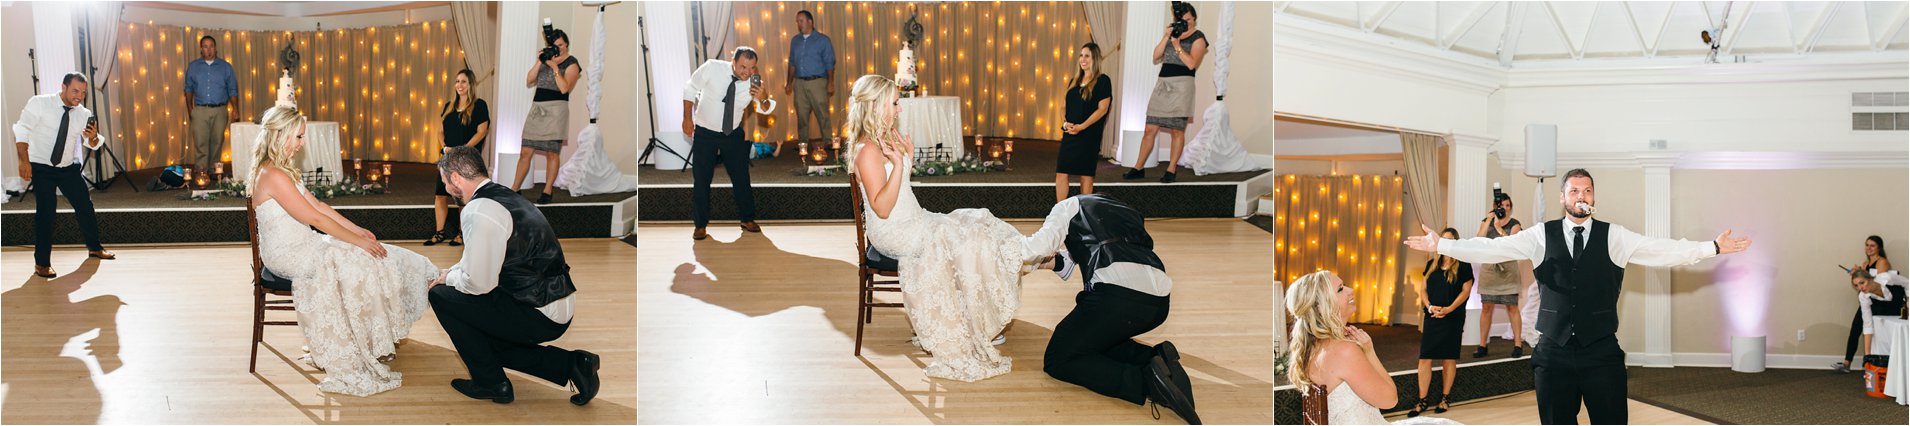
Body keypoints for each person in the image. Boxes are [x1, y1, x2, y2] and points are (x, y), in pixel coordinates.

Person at [1404, 168, 1752, 425]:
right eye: (1574, 190)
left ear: (1594, 197)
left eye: (1587, 190)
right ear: (1563, 197)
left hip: (1601, 352)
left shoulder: (1614, 236)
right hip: (1553, 353)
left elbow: (1660, 249)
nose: (1581, 196)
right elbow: (1493, 249)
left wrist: (1712, 247)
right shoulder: (1541, 235)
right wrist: (1443, 244)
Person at [847, 74, 1079, 382]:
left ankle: (1041, 262)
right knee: (974, 241)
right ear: (876, 106)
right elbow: (883, 207)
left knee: (976, 226)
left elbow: (898, 191)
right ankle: (1041, 253)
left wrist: (908, 160)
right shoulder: (868, 151)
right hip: (897, 233)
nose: (900, 109)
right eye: (894, 103)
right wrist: (902, 165)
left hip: (914, 220)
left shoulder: (884, 139)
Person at [248, 105, 438, 396]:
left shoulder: (283, 169)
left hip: (305, 243)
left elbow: (320, 207)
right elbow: (314, 219)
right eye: (298, 137)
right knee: (361, 259)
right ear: (281, 136)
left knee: (369, 254)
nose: (302, 143)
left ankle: (373, 336)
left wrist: (357, 231)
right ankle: (364, 340)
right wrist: (357, 241)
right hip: (288, 254)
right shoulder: (272, 174)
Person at [428, 145, 600, 405]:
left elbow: (479, 284)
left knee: (442, 297)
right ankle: (573, 365)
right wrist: (449, 271)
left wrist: (445, 280)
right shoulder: (504, 195)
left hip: (538, 311)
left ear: (455, 178)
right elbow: (480, 259)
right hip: (556, 301)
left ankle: (492, 383)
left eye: (445, 182)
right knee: (478, 335)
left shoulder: (477, 210)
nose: (446, 189)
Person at [1039, 193, 1198, 424]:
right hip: (1158, 302)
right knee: (1092, 341)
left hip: (1119, 299)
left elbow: (1037, 246)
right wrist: (1042, 263)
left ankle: (1147, 383)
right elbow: (1065, 261)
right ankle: (1154, 358)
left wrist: (1001, 251)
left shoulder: (1066, 207)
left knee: (1059, 358)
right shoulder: (1119, 212)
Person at [1286, 270, 1461, 425]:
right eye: (1340, 289)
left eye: (1344, 285)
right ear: (1322, 306)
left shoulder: (1311, 347)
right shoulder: (1344, 351)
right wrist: (1370, 352)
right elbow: (1390, 400)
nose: (1350, 290)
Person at [14, 72, 115, 278]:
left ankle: (94, 247)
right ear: (64, 87)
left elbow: (92, 145)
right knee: (46, 211)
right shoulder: (40, 103)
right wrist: (24, 161)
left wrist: (93, 137)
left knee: (85, 206)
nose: (79, 96)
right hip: (41, 166)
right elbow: (22, 130)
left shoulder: (84, 113)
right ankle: (42, 263)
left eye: (83, 92)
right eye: (75, 91)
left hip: (68, 167)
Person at [682, 47, 768, 240]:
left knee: (741, 177)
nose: (747, 72)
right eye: (743, 67)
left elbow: (765, 110)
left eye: (751, 68)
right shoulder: (712, 67)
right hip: (705, 132)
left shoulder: (754, 83)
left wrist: (763, 98)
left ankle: (747, 218)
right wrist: (687, 118)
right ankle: (700, 225)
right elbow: (690, 88)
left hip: (732, 134)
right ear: (733, 61)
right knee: (702, 179)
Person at [1123, 3, 1207, 184]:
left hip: (1182, 87)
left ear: (1194, 18)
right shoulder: (1172, 34)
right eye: (1181, 19)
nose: (1184, 23)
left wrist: (1177, 45)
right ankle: (1138, 167)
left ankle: (1171, 169)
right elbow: (1156, 56)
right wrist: (1166, 36)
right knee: (1149, 128)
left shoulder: (1199, 38)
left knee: (1177, 130)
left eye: (1188, 20)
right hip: (1163, 84)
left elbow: (1192, 64)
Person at [512, 29, 583, 205]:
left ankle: (547, 190)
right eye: (554, 45)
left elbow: (564, 88)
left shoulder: (572, 63)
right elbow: (529, 80)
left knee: (552, 152)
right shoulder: (546, 60)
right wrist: (540, 61)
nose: (557, 48)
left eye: (560, 45)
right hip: (537, 109)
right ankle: (514, 189)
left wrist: (554, 68)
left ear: (566, 44)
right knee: (525, 151)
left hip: (556, 111)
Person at [1411, 228, 1472, 418]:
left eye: (1450, 240)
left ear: (1455, 243)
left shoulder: (1463, 265)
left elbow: (1466, 292)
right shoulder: (1431, 264)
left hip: (1452, 318)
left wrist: (1449, 309)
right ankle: (1422, 400)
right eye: (1442, 239)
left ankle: (1445, 398)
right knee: (1425, 358)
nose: (1445, 243)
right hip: (1432, 317)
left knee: (1448, 358)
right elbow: (1423, 290)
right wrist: (1430, 307)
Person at [427, 70, 491, 246]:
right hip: (447, 158)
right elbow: (440, 130)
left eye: (463, 82)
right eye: (457, 81)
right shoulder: (449, 105)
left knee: (462, 196)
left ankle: (462, 233)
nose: (459, 85)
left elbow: (482, 131)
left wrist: (463, 149)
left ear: (470, 84)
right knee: (440, 195)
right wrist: (444, 146)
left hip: (466, 159)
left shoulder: (479, 105)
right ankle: (439, 233)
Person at [1056, 43, 1112, 202]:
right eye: (1081, 55)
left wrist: (1081, 127)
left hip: (1089, 135)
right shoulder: (1074, 81)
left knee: (1086, 175)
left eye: (1087, 55)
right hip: (1070, 133)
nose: (1083, 59)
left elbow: (1102, 109)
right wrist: (1066, 123)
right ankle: (1060, 212)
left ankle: (1085, 214)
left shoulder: (1103, 81)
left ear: (1095, 58)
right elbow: (1063, 107)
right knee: (1061, 173)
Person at [1473, 192, 1525, 358]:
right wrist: (1489, 221)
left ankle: (1517, 344)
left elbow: (1511, 244)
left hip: (1508, 272)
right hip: (1489, 270)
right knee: (1486, 307)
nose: (1505, 209)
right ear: (1496, 206)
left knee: (1512, 307)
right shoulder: (1486, 221)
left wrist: (1497, 228)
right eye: (1502, 205)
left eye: (1508, 206)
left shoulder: (1515, 224)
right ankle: (1482, 345)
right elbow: (1479, 240)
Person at [1836, 236, 1896, 372]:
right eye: (1867, 245)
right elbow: (1862, 281)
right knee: (1856, 328)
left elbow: (1879, 283)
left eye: (1872, 245)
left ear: (1879, 248)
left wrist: (1863, 274)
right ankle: (1847, 363)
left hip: (1879, 302)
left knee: (1874, 332)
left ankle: (1873, 363)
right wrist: (1856, 274)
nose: (1868, 248)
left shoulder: (1882, 262)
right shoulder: (1865, 263)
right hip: (1867, 301)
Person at [184, 35, 239, 170]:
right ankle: (202, 173)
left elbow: (232, 89)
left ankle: (214, 172)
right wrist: (190, 109)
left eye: (211, 46)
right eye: (205, 46)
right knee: (201, 143)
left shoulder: (226, 67)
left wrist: (235, 109)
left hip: (220, 110)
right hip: (200, 110)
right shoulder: (193, 67)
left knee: (217, 142)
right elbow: (188, 88)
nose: (209, 50)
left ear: (216, 49)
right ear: (201, 49)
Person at [785, 10, 836, 147]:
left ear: (810, 21)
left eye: (801, 20)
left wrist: (830, 83)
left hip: (817, 82)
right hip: (799, 83)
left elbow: (829, 63)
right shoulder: (795, 41)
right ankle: (803, 143)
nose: (798, 24)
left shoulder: (823, 40)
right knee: (801, 115)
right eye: (797, 21)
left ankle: (828, 141)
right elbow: (792, 62)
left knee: (822, 113)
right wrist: (788, 82)